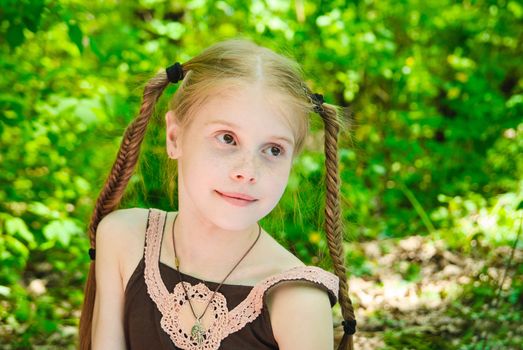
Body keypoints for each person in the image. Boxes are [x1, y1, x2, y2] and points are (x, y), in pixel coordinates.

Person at [78, 38, 357, 350]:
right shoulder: (123, 239)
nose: (248, 170)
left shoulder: (297, 299)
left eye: (273, 149)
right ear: (175, 137)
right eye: (227, 138)